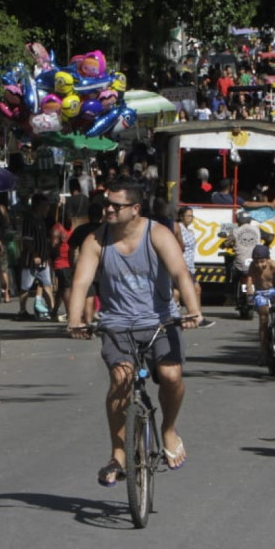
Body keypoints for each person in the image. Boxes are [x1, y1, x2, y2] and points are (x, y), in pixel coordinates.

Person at [66, 177, 202, 485]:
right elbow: (81, 282)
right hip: (117, 324)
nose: (108, 209)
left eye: (116, 205)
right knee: (120, 379)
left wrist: (193, 310)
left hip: (161, 322)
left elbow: (181, 272)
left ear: (136, 208)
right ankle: (118, 453)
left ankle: (168, 430)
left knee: (171, 376)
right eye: (106, 204)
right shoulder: (96, 240)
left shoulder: (158, 234)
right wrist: (75, 319)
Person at [16, 194, 55, 320]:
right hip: (31, 260)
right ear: (38, 206)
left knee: (48, 284)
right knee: (25, 286)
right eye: (45, 206)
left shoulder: (42, 220)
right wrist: (35, 254)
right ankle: (22, 311)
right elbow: (27, 240)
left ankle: (52, 310)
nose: (47, 208)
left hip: (43, 259)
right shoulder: (30, 220)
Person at [174, 206, 204, 315]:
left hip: (190, 266)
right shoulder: (178, 228)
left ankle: (174, 311)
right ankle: (197, 315)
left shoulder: (189, 230)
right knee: (196, 289)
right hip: (183, 264)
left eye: (192, 216)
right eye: (189, 216)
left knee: (177, 290)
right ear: (182, 217)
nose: (191, 218)